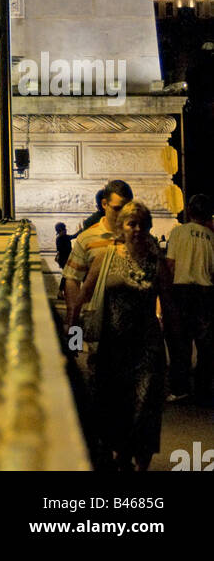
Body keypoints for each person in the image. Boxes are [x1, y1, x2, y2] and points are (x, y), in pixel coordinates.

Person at [70, 200, 169, 472]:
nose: (136, 229)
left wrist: (177, 350)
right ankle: (122, 456)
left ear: (148, 227)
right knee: (117, 406)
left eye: (141, 224)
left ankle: (142, 461)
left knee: (145, 406)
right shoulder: (106, 257)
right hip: (113, 348)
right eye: (130, 223)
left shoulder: (157, 263)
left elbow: (170, 305)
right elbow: (81, 299)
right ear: (121, 227)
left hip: (147, 349)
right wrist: (73, 340)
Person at [63, 180, 157, 321]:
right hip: (101, 326)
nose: (123, 214)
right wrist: (74, 319)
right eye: (117, 208)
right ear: (104, 204)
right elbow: (72, 279)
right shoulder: (87, 238)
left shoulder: (143, 239)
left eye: (127, 208)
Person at [164, 193, 214, 406]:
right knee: (205, 344)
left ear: (190, 211)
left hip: (181, 291)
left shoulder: (178, 232)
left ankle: (180, 387)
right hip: (205, 293)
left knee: (179, 342)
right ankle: (203, 388)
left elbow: (170, 264)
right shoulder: (212, 237)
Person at [55, 222, 72, 299]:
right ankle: (60, 292)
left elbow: (74, 235)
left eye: (65, 229)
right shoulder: (59, 239)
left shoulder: (65, 237)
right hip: (63, 260)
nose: (66, 230)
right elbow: (61, 250)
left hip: (66, 259)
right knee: (65, 276)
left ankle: (63, 293)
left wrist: (81, 230)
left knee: (66, 276)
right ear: (60, 231)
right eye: (64, 229)